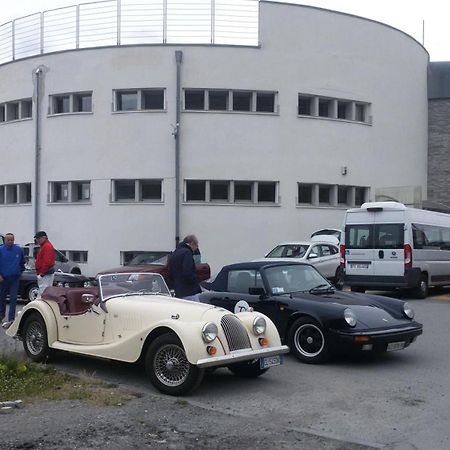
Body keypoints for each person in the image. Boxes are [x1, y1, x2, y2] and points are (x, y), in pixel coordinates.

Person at [0, 233, 25, 329]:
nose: (10, 242)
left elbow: (22, 262)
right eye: (8, 240)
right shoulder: (1, 250)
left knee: (13, 299)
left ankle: (11, 318)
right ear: (5, 240)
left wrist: (21, 272)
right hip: (3, 278)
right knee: (2, 298)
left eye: (12, 240)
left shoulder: (18, 250)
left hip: (15, 278)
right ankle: (1, 315)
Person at [168, 234, 202, 301]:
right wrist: (195, 280)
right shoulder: (187, 253)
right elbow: (188, 272)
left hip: (178, 290)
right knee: (196, 309)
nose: (196, 248)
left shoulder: (175, 253)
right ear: (192, 243)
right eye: (197, 245)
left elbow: (170, 271)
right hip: (189, 291)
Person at [34, 231, 56, 297]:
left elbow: (47, 262)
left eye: (38, 238)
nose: (37, 240)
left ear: (44, 238)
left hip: (45, 274)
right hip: (45, 273)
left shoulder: (47, 247)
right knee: (45, 292)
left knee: (43, 292)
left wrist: (41, 274)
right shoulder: (45, 246)